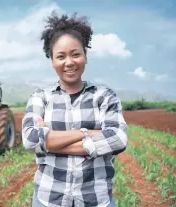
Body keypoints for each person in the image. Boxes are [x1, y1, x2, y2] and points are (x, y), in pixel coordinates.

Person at [21, 11, 128, 207]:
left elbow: (118, 139)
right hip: (49, 199)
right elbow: (31, 139)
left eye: (75, 54)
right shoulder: (40, 98)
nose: (69, 62)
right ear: (52, 60)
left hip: (95, 199)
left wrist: (51, 141)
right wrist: (86, 134)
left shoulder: (104, 96)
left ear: (85, 56)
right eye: (60, 56)